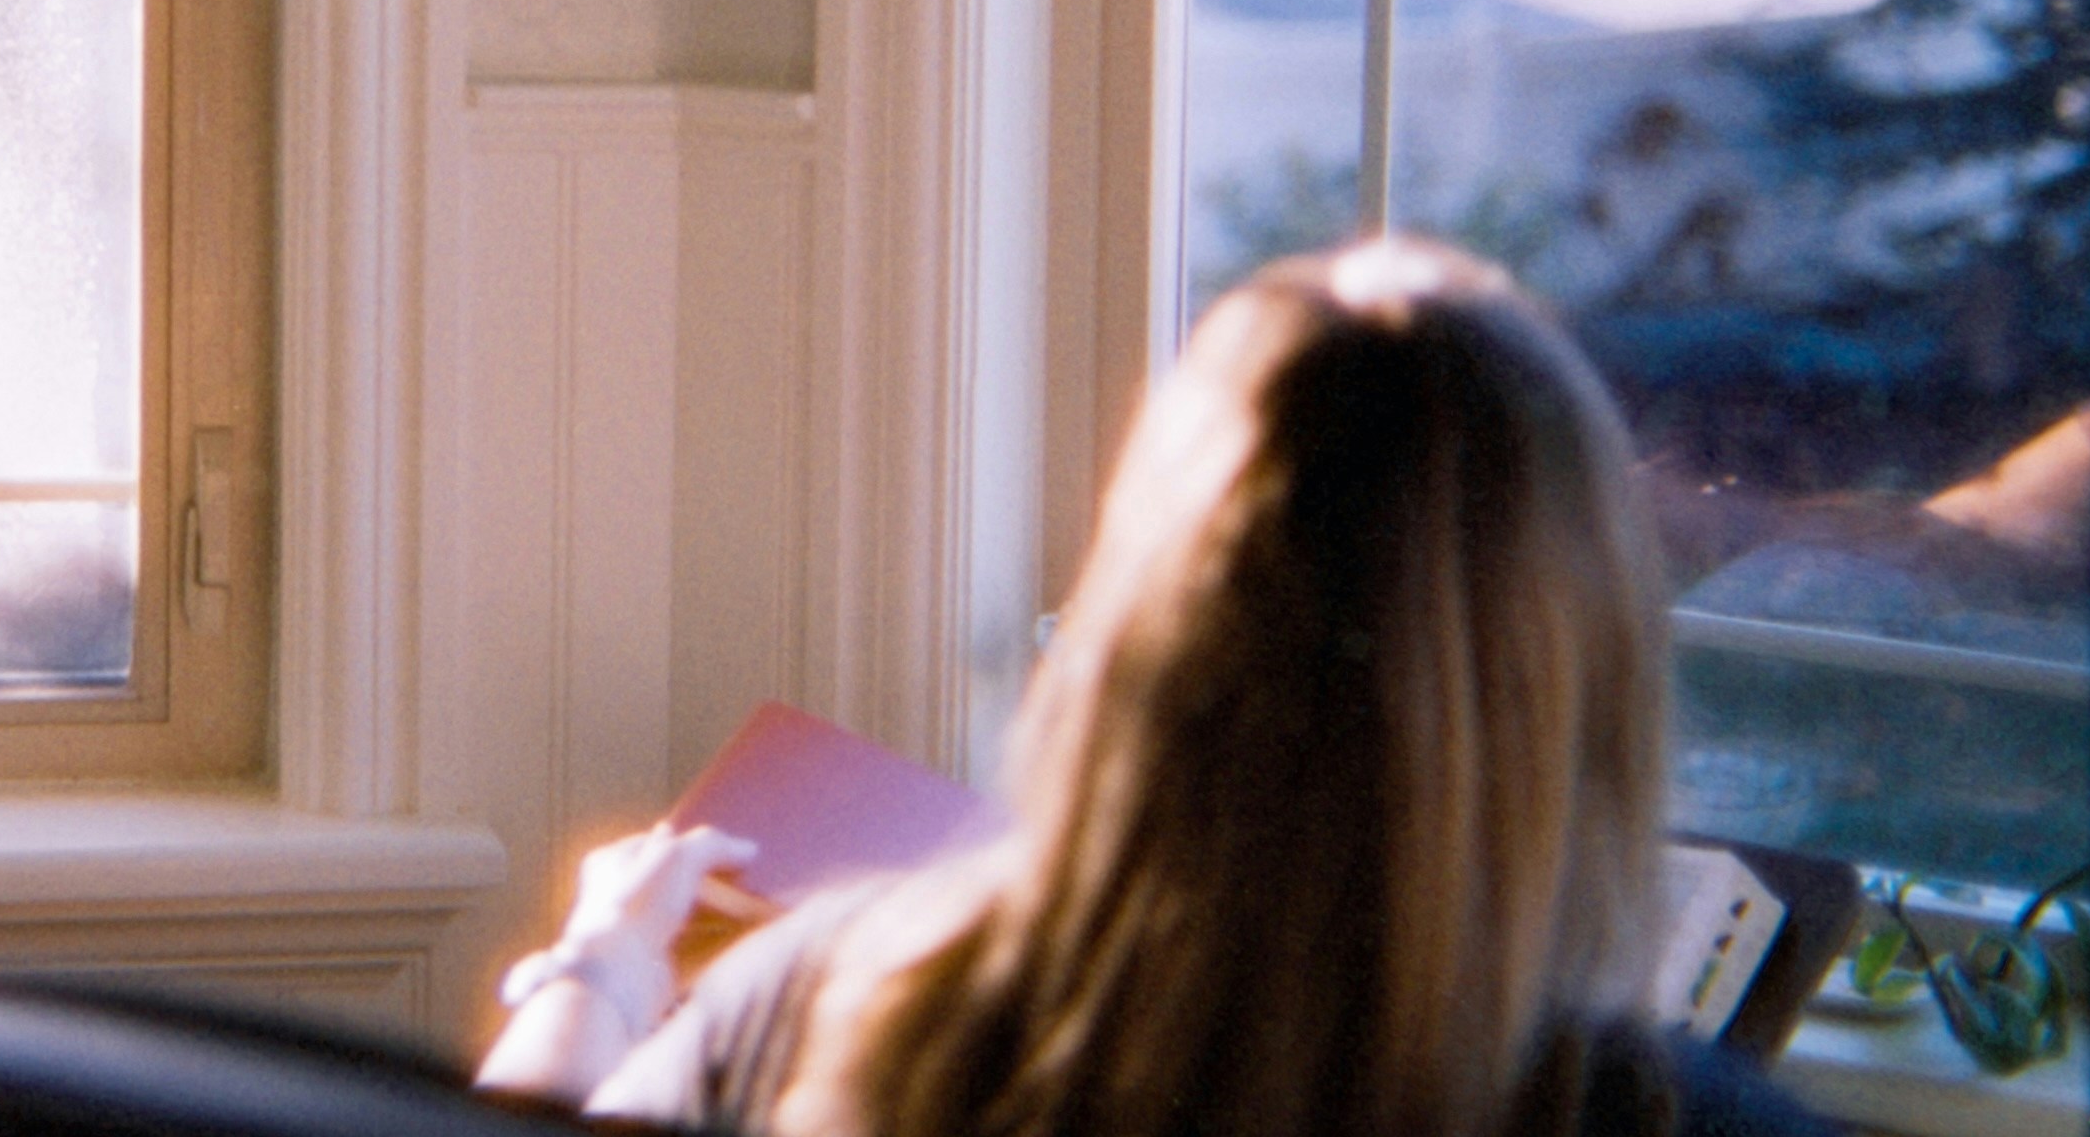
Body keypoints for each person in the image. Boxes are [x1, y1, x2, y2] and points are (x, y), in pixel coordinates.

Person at [474, 238, 1834, 1136]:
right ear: (1578, 702)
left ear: (1136, 643)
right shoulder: (1677, 1121)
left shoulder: (823, 1003)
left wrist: (596, 971)